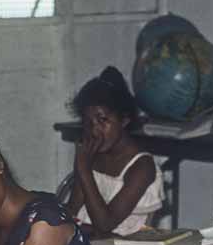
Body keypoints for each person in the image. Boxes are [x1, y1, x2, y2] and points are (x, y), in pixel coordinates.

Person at [65, 66, 163, 235]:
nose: (94, 130)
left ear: (124, 120)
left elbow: (104, 225)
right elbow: (72, 211)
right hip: (88, 241)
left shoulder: (142, 167)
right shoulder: (93, 156)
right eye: (88, 123)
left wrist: (83, 170)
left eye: (103, 120)